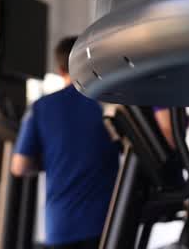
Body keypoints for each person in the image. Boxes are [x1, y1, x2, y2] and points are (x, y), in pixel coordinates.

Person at [12, 36, 121, 249]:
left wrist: (53, 160)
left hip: (60, 227)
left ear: (61, 70)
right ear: (90, 64)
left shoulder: (41, 108)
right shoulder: (106, 104)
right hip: (105, 224)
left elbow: (19, 166)